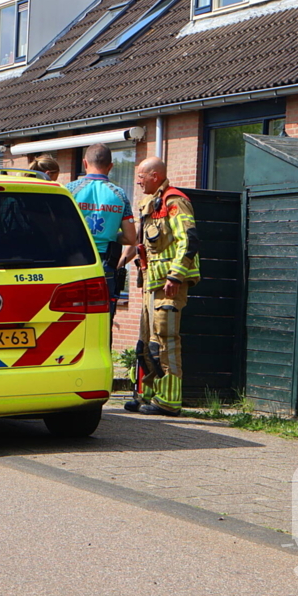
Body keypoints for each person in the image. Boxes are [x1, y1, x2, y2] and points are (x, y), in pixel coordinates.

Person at [128, 156, 200, 416]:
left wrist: (175, 276)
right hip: (151, 284)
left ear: (155, 176)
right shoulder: (149, 203)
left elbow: (189, 240)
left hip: (168, 285)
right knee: (146, 342)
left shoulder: (174, 201)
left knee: (165, 340)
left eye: (141, 176)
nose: (137, 182)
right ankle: (146, 394)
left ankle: (169, 401)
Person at [65, 143, 137, 322]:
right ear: (110, 166)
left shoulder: (69, 190)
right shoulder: (120, 195)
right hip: (105, 265)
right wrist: (111, 234)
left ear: (84, 163)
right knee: (103, 322)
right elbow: (130, 237)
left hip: (74, 263)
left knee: (72, 320)